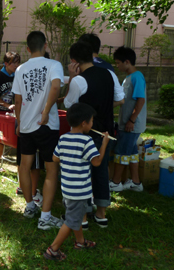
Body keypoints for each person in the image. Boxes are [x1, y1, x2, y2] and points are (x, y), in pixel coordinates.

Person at [63, 42, 124, 229]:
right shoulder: (110, 74)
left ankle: (83, 216)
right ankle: (101, 213)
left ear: (74, 61)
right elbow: (119, 98)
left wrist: (72, 78)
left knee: (83, 173)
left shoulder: (80, 80)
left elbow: (68, 105)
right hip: (105, 131)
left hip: (86, 133)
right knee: (101, 170)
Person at [12, 31, 64, 230]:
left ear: (27, 48)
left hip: (26, 126)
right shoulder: (54, 65)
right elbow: (56, 88)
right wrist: (45, 111)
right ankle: (45, 216)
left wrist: (18, 121)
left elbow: (17, 99)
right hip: (47, 126)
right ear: (45, 45)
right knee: (51, 169)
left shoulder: (20, 69)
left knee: (24, 166)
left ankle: (29, 206)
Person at [44, 103, 109, 261]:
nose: (93, 124)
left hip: (67, 189)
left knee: (76, 216)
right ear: (84, 123)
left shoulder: (63, 138)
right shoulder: (86, 141)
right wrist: (105, 143)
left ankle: (80, 242)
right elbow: (97, 162)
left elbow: (55, 158)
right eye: (92, 121)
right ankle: (53, 249)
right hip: (80, 191)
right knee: (72, 220)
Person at [110, 47, 147, 192]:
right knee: (131, 153)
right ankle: (136, 183)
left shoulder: (137, 77)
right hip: (127, 123)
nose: (117, 66)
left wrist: (131, 120)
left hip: (131, 125)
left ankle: (115, 182)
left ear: (127, 62)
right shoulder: (128, 78)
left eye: (118, 63)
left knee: (121, 152)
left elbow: (141, 100)